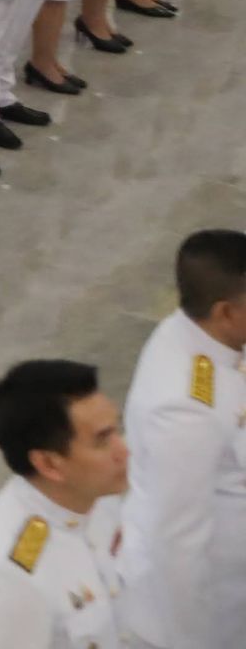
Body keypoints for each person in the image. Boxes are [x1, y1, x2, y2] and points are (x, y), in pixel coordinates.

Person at [117, 228, 246, 645]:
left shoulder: (201, 334)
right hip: (216, 600)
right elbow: (176, 545)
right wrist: (193, 640)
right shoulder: (185, 411)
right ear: (225, 312)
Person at [0, 359, 129, 648]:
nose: (124, 450)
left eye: (117, 429)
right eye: (102, 440)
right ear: (49, 464)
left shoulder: (93, 493)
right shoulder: (6, 579)